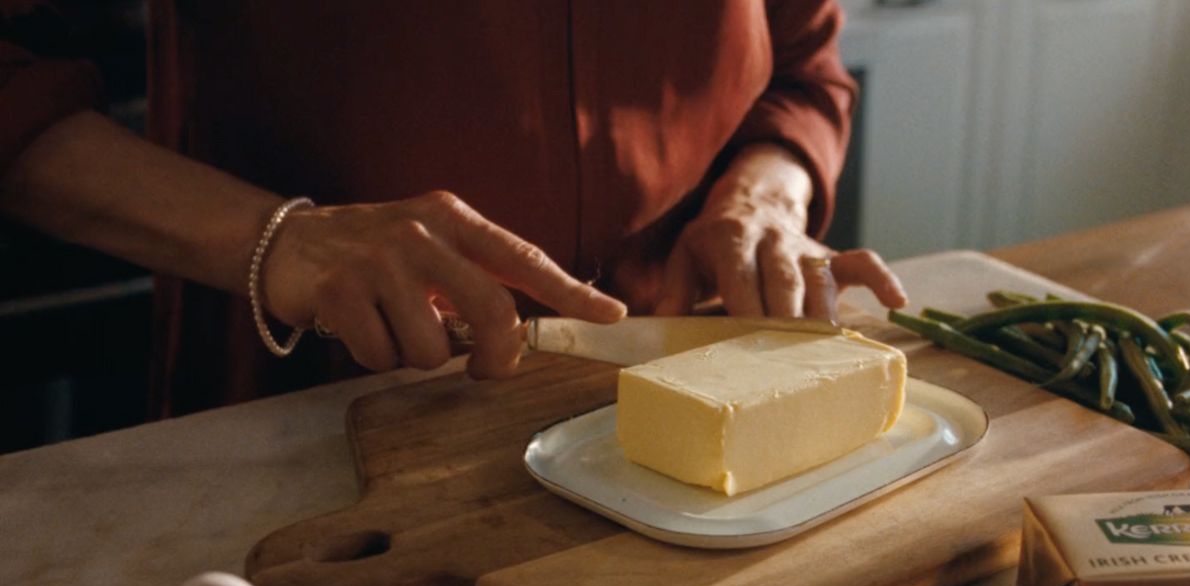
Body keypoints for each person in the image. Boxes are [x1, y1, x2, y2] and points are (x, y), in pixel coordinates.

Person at [0, 1, 907, 416]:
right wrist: (282, 242)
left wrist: (765, 194)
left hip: (684, 415)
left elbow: (800, 64)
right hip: (319, 431)